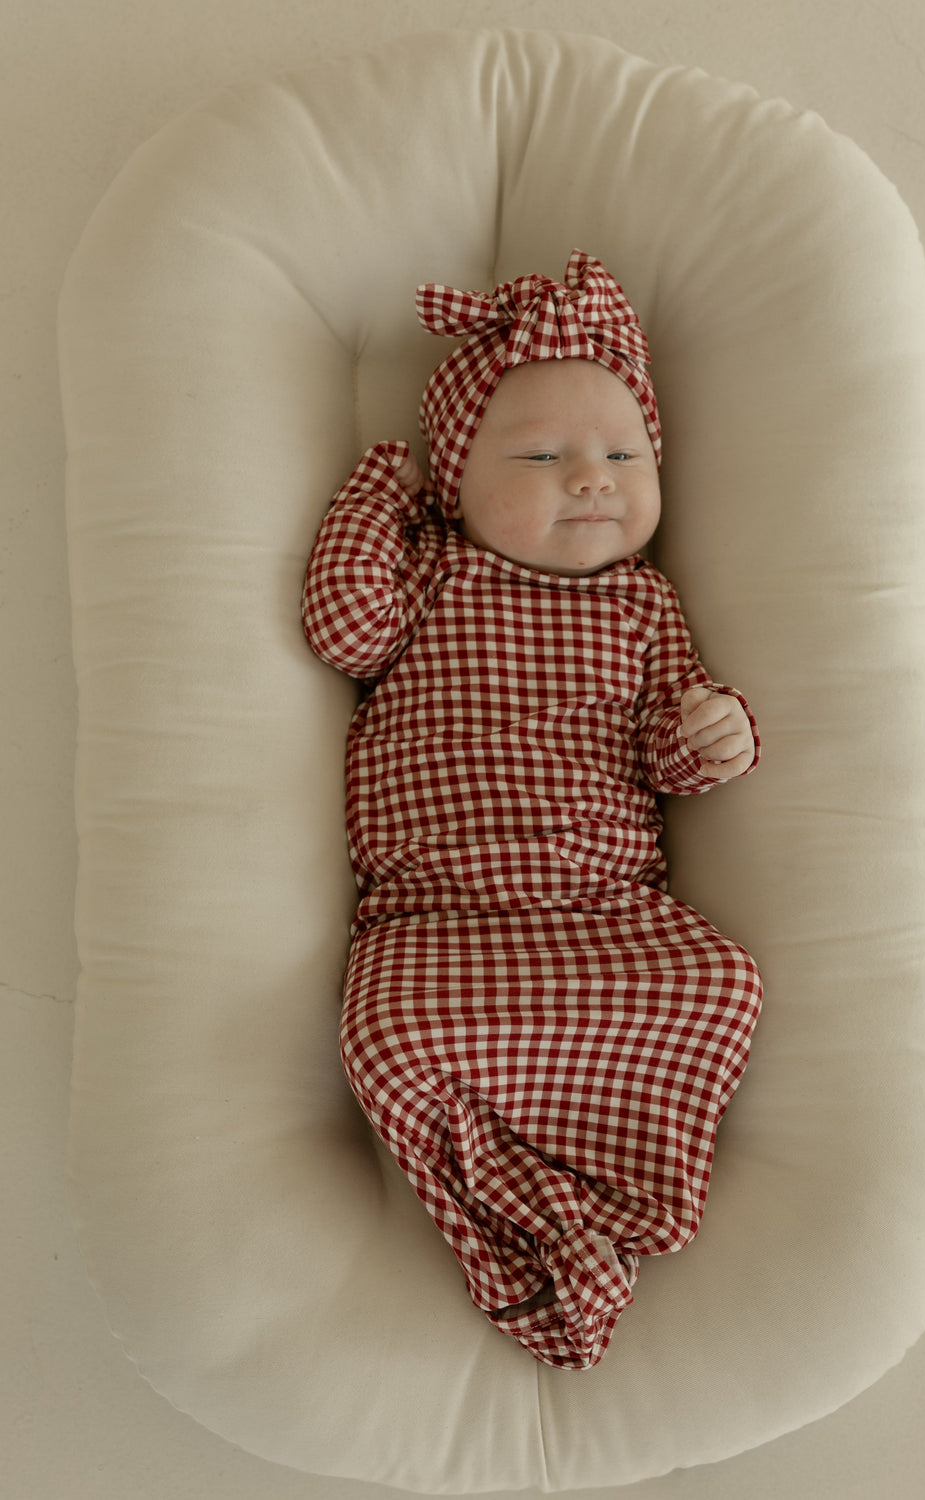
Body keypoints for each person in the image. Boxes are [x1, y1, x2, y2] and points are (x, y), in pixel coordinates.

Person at [301, 250, 762, 1369]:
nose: (593, 478)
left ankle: (604, 1195)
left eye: (623, 455)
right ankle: (529, 1219)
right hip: (436, 915)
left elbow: (663, 748)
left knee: (722, 982)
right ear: (457, 482)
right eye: (543, 456)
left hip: (605, 910)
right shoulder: (432, 572)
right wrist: (379, 489)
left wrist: (710, 734)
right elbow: (343, 631)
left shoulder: (644, 606)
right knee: (387, 1033)